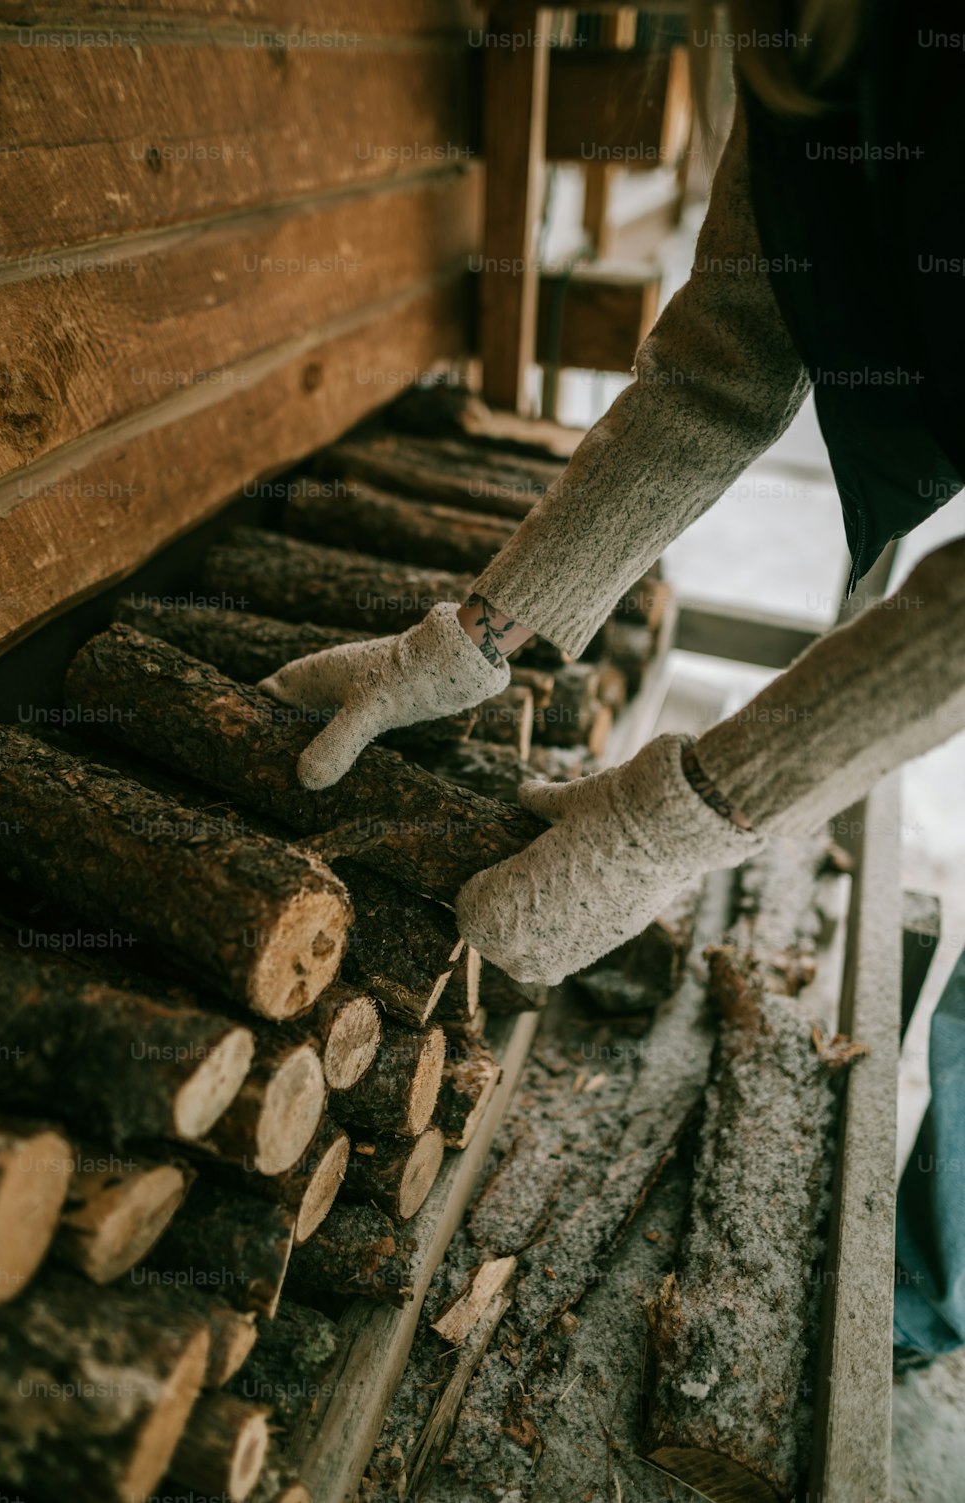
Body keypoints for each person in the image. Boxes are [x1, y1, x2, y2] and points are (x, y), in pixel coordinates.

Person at [259, 7, 964, 1363]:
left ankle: (922, 1308)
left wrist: (678, 818)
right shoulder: (803, 35)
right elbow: (719, 369)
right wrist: (468, 637)